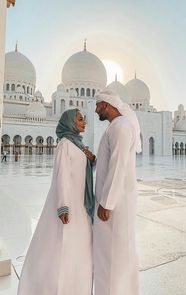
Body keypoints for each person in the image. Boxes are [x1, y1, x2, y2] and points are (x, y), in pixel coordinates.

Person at [17, 108, 96, 295]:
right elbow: (62, 177)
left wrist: (91, 160)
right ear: (69, 122)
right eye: (79, 119)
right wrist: (63, 206)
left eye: (83, 119)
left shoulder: (78, 145)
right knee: (61, 248)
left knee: (79, 251)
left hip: (81, 207)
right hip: (68, 206)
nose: (83, 122)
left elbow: (80, 174)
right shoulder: (65, 144)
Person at [93, 89, 141, 295]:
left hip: (116, 202)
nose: (95, 110)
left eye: (97, 105)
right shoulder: (116, 126)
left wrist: (107, 202)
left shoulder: (120, 127)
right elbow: (107, 161)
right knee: (113, 253)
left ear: (106, 104)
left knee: (114, 254)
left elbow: (118, 165)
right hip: (115, 199)